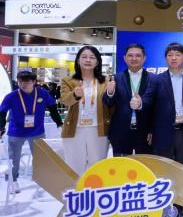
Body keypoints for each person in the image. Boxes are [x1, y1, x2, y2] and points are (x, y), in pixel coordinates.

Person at [147, 43, 183, 217]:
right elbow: (150, 107)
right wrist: (150, 130)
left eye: (177, 54)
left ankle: (179, 210)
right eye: (170, 55)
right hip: (163, 132)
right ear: (166, 58)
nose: (174, 58)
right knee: (163, 174)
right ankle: (163, 212)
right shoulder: (156, 80)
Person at [0, 70, 63, 193]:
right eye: (20, 82)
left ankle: (41, 178)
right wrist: (1, 127)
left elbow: (53, 108)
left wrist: (59, 123)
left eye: (27, 82)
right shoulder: (11, 96)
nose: (23, 85)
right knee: (14, 159)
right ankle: (13, 181)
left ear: (34, 82)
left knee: (41, 157)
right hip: (16, 132)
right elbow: (2, 113)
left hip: (37, 131)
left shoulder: (42, 93)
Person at [60, 46, 112, 174]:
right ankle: (76, 187)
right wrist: (75, 95)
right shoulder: (68, 80)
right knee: (74, 166)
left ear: (97, 61)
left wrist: (111, 93)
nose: (88, 60)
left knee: (98, 166)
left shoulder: (106, 81)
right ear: (78, 60)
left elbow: (111, 103)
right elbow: (65, 100)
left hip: (99, 128)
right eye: (84, 57)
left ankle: (95, 187)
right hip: (75, 128)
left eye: (92, 57)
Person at [103, 43, 154, 156]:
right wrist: (110, 92)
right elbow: (107, 102)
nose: (134, 58)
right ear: (124, 58)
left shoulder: (153, 79)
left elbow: (156, 107)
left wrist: (152, 129)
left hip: (145, 132)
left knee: (145, 164)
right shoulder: (115, 78)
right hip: (120, 132)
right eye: (130, 55)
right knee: (122, 165)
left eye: (138, 55)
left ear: (144, 58)